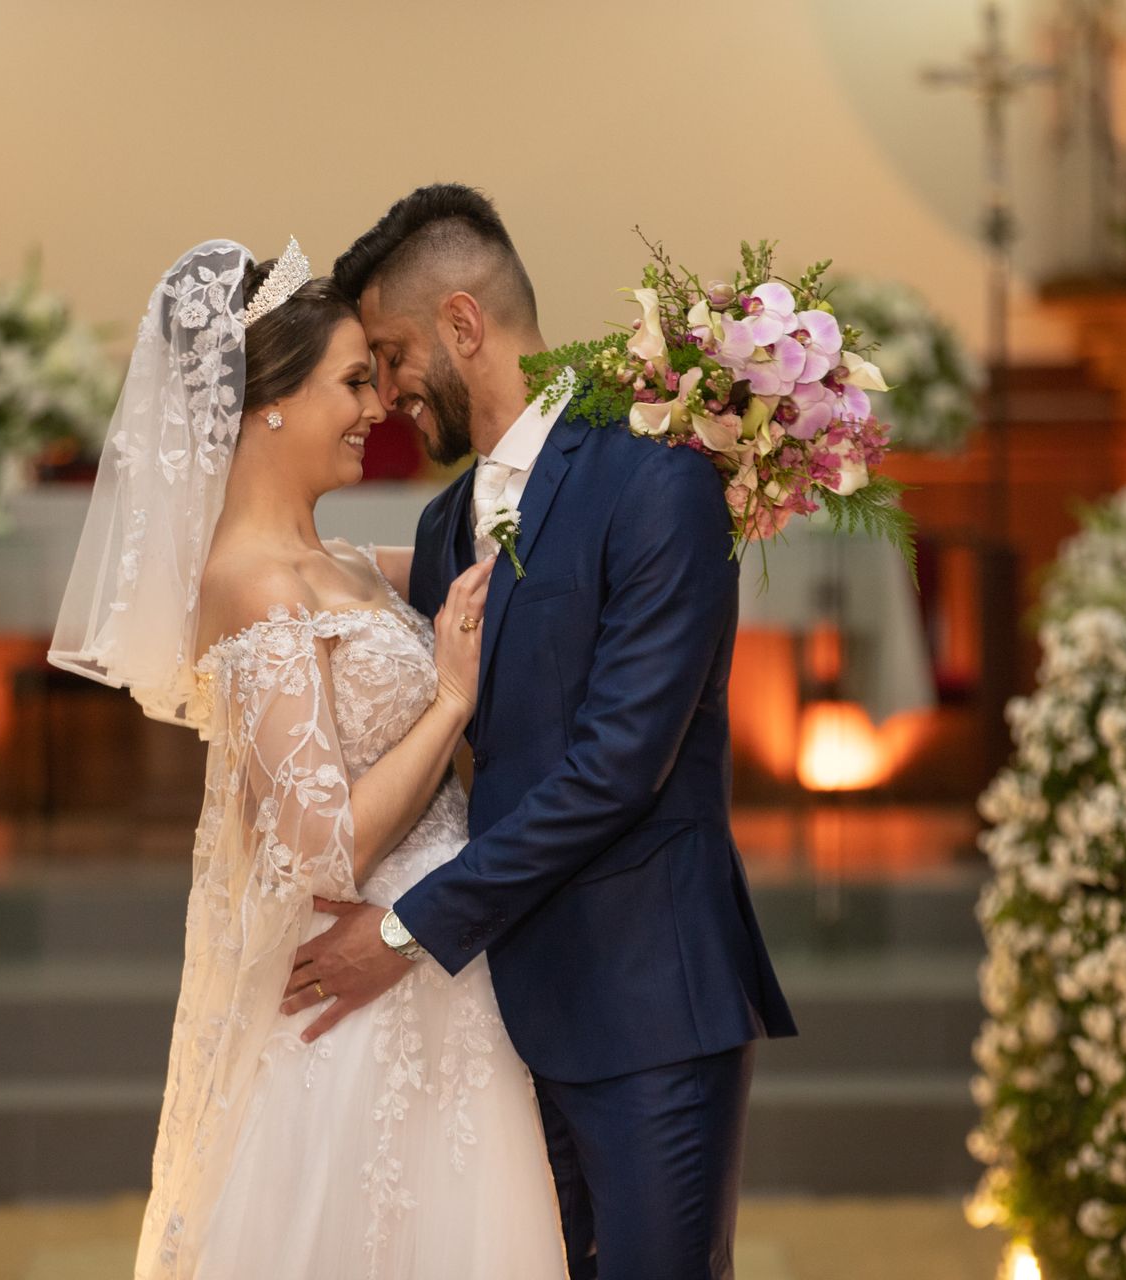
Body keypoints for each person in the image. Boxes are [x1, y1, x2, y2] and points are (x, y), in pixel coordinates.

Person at [283, 185, 796, 1280]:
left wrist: (401, 932)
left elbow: (619, 769)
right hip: (501, 1020)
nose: (384, 390)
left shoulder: (655, 479)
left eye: (389, 352)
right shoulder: (439, 522)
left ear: (462, 324)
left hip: (651, 1006)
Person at [49, 239, 568, 1278]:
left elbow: (504, 552)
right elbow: (318, 844)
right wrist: (452, 698)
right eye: (351, 381)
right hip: (361, 996)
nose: (376, 407)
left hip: (435, 976)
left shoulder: (332, 562)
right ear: (265, 404)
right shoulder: (252, 583)